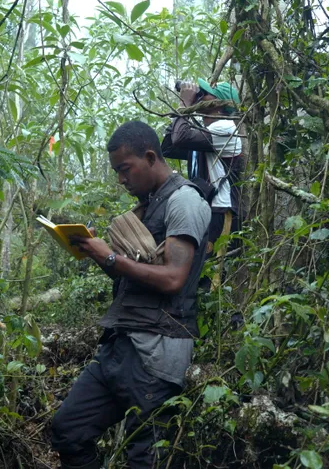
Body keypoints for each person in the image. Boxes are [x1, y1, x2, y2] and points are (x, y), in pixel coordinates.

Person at [51, 121, 212, 469]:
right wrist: (96, 252)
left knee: (144, 459)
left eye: (126, 169)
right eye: (117, 172)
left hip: (157, 353)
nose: (122, 179)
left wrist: (111, 257)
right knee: (68, 430)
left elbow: (173, 279)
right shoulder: (149, 204)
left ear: (150, 157)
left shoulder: (184, 201)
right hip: (120, 345)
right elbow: (131, 276)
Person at [161, 78, 243, 257]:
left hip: (221, 212)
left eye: (205, 94)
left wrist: (184, 105)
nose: (200, 96)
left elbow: (180, 138)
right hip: (206, 209)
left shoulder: (225, 128)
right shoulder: (205, 135)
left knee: (216, 268)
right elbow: (167, 148)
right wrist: (184, 111)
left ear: (219, 104)